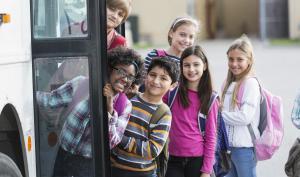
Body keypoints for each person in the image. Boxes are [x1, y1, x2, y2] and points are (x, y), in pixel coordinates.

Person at [36, 47, 144, 177]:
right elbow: (50, 100)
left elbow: (112, 142)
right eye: (121, 71)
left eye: (130, 77)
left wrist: (109, 105)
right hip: (62, 155)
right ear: (110, 68)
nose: (125, 79)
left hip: (88, 165)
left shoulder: (125, 105)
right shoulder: (81, 83)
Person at [110, 58, 180, 177]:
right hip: (115, 168)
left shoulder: (163, 113)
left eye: (163, 78)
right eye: (152, 75)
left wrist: (119, 139)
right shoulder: (129, 98)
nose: (156, 81)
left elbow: (152, 150)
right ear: (146, 75)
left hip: (143, 173)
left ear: (173, 85)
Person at [163, 45, 218, 177]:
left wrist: (206, 171)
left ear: (204, 66)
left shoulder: (211, 99)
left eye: (196, 64)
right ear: (181, 67)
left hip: (197, 160)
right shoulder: (171, 93)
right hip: (172, 159)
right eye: (186, 65)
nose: (191, 69)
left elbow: (211, 137)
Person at [220, 35, 260, 177]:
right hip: (228, 147)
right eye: (231, 59)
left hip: (244, 148)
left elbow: (245, 117)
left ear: (249, 61)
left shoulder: (250, 83)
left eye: (240, 59)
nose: (234, 63)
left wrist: (218, 116)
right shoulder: (227, 83)